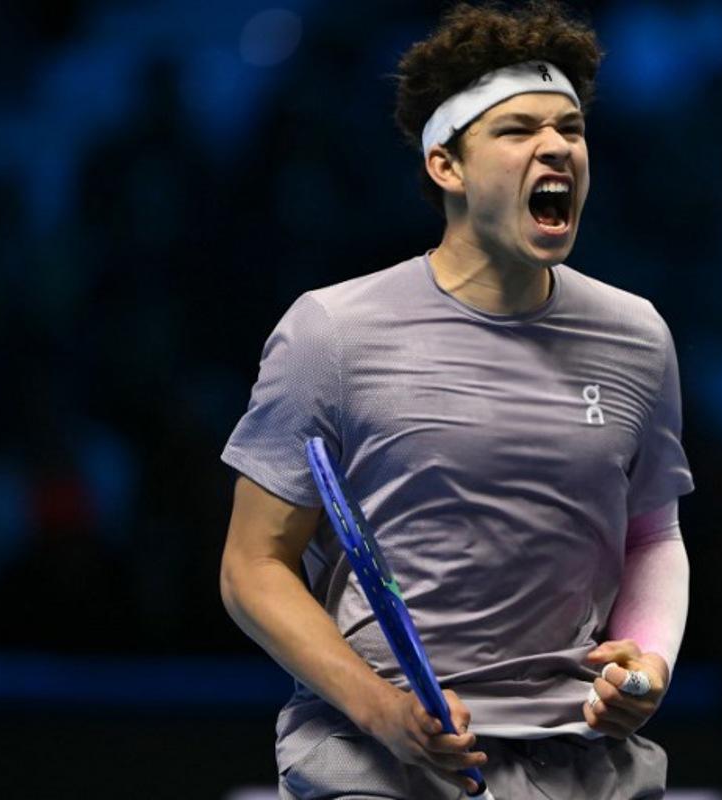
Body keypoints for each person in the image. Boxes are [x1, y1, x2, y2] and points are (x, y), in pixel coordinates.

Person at [219, 2, 694, 797]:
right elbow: (251, 568)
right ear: (446, 165)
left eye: (570, 130)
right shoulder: (331, 332)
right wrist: (382, 710)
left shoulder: (637, 336)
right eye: (516, 130)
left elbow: (653, 534)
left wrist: (647, 661)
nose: (556, 147)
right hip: (376, 762)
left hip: (581, 760)